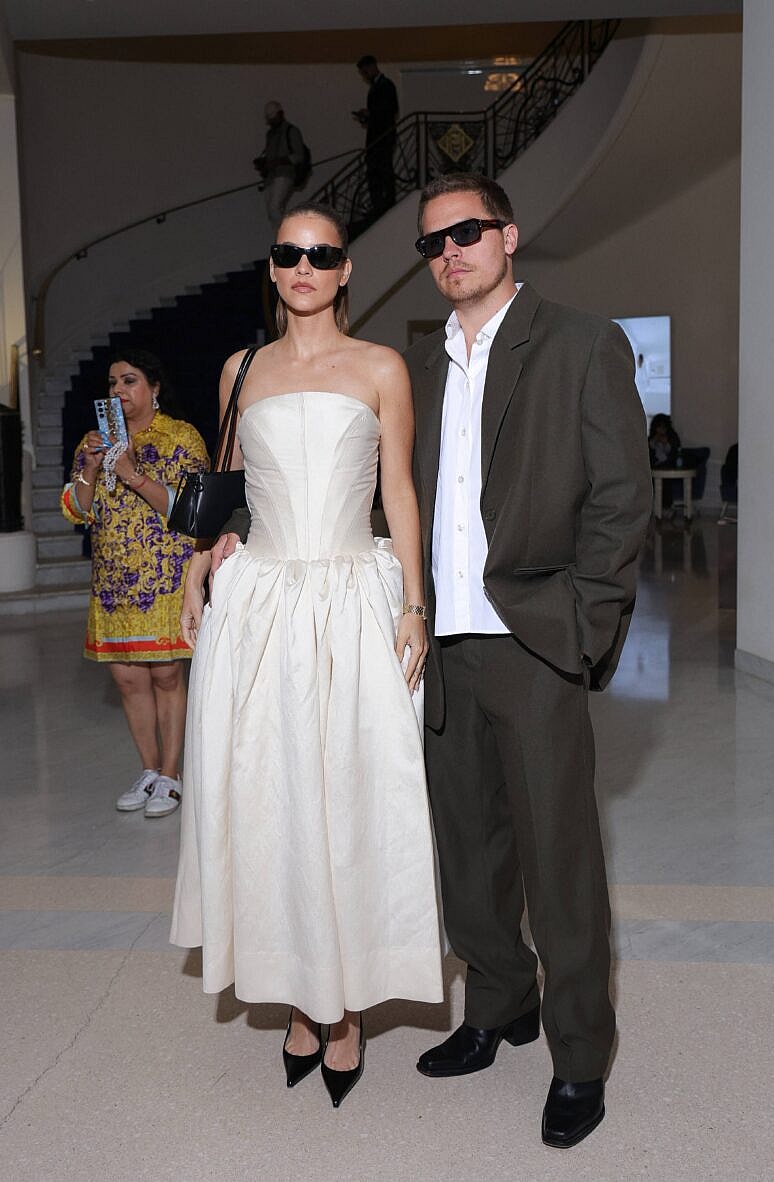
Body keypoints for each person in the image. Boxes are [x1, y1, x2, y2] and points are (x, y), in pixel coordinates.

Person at [169, 202, 443, 1109]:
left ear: (345, 269)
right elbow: (230, 488)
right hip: (260, 606)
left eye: (321, 254)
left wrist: (415, 603)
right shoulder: (241, 368)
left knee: (349, 794)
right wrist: (201, 562)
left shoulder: (382, 366)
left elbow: (399, 491)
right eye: (288, 253)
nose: (304, 267)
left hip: (353, 602)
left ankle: (347, 1009)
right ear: (273, 265)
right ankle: (295, 994)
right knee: (271, 796)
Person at [404, 172, 652, 1148]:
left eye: (466, 231)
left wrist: (583, 626)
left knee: (559, 866)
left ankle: (579, 1055)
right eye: (432, 242)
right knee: (467, 851)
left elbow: (620, 499)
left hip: (534, 639)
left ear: (507, 235)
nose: (449, 252)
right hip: (444, 647)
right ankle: (498, 1004)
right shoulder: (420, 364)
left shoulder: (581, 343)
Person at [61, 349, 208, 816]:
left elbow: (191, 510)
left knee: (166, 675)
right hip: (112, 582)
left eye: (129, 380)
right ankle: (148, 770)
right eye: (112, 383)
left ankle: (171, 775)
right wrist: (90, 468)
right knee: (127, 680)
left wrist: (131, 474)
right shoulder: (93, 442)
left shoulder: (180, 438)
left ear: (154, 388)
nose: (118, 390)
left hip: (165, 578)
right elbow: (76, 511)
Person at [354, 55, 399, 218]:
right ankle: (379, 203)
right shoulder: (378, 86)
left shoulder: (386, 85)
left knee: (382, 169)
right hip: (378, 136)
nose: (365, 75)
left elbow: (389, 110)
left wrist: (370, 114)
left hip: (382, 137)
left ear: (372, 66)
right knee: (376, 170)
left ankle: (385, 203)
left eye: (365, 71)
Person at [257, 100, 306, 227]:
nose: (272, 121)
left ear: (281, 114)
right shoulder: (270, 135)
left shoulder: (291, 131)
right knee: (273, 211)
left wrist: (278, 161)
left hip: (285, 173)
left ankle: (288, 232)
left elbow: (299, 156)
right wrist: (265, 164)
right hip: (271, 177)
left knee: (274, 208)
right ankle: (283, 235)